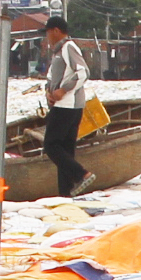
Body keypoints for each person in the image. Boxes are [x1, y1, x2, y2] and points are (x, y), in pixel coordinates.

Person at [42, 17, 96, 198]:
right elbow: (51, 77)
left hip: (67, 105)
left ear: (56, 31)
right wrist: (49, 93)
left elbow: (83, 72)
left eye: (48, 33)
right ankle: (66, 192)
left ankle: (81, 174)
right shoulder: (57, 52)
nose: (47, 37)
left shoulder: (68, 47)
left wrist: (63, 90)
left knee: (51, 145)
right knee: (65, 150)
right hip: (61, 104)